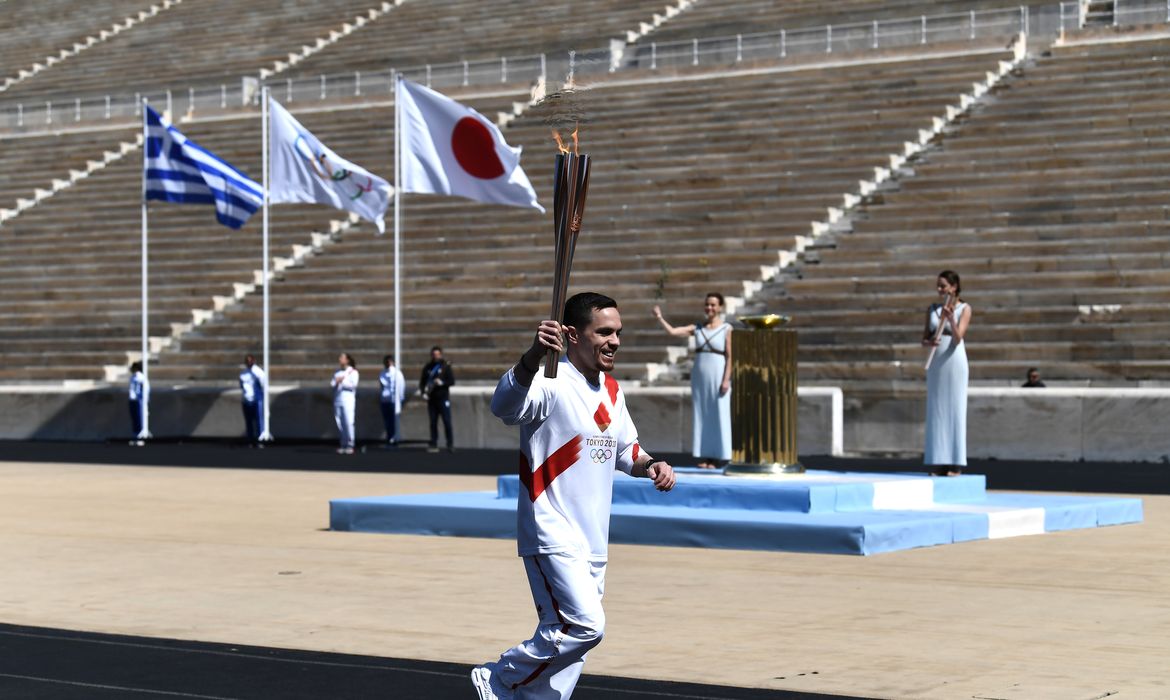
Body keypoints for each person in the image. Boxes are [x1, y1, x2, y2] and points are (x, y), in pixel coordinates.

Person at [471, 292, 676, 700]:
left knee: (568, 645)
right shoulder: (549, 381)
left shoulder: (612, 391)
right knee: (584, 626)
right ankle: (502, 677)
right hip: (551, 529)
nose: (614, 341)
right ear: (572, 335)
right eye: (604, 332)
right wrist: (531, 358)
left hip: (593, 538)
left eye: (618, 332)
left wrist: (652, 464)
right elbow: (503, 406)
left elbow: (626, 450)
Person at [653, 292, 732, 468]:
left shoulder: (726, 328)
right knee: (701, 413)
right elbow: (673, 331)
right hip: (700, 375)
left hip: (718, 373)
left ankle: (718, 457)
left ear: (720, 307)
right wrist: (660, 318)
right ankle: (704, 456)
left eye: (713, 305)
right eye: (707, 304)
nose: (709, 308)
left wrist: (726, 379)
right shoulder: (697, 328)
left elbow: (730, 355)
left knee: (718, 413)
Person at [922, 270, 972, 477]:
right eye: (938, 286)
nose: (939, 290)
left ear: (954, 287)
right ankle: (938, 461)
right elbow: (924, 337)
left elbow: (958, 337)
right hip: (936, 362)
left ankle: (955, 463)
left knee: (955, 409)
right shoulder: (932, 309)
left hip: (955, 360)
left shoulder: (965, 308)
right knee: (937, 410)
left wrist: (950, 319)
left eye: (943, 286)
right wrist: (928, 342)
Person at [419, 346, 455, 452]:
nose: (435, 356)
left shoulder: (445, 366)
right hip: (432, 399)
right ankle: (433, 443)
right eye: (434, 354)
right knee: (433, 422)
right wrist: (423, 393)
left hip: (443, 398)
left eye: (437, 354)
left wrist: (442, 383)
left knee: (447, 421)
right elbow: (422, 382)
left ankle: (450, 444)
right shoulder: (428, 367)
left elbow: (452, 381)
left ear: (440, 355)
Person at [331, 353, 359, 454]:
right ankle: (343, 443)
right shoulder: (337, 372)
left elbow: (354, 385)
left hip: (348, 399)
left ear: (347, 360)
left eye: (342, 357)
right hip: (338, 398)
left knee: (348, 421)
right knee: (339, 421)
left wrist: (343, 382)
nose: (340, 359)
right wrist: (337, 381)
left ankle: (350, 444)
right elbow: (332, 384)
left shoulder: (353, 372)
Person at [239, 354, 266, 446]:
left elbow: (263, 385)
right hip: (246, 400)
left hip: (256, 399)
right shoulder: (243, 374)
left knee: (259, 420)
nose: (249, 362)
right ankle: (250, 439)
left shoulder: (258, 372)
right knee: (249, 421)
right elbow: (242, 386)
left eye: (250, 361)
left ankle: (260, 439)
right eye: (247, 361)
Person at [379, 354, 406, 446]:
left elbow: (401, 387)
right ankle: (389, 437)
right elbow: (382, 387)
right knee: (387, 421)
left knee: (393, 420)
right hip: (385, 400)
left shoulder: (397, 373)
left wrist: (400, 399)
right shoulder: (382, 373)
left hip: (394, 400)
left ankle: (394, 438)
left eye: (389, 362)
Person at [127, 361, 149, 446]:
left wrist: (144, 400)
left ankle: (140, 437)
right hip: (132, 400)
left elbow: (145, 390)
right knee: (134, 418)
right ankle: (135, 436)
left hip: (139, 400)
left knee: (140, 418)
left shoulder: (141, 377)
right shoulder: (132, 377)